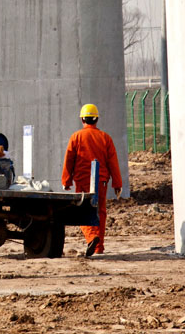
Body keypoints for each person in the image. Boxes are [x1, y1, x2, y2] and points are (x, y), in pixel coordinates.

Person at [61, 103, 122, 257]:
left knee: (82, 211)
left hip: (82, 181)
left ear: (82, 119)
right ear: (96, 119)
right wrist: (117, 183)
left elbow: (69, 159)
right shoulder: (105, 138)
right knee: (100, 212)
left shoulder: (76, 137)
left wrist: (66, 180)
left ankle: (92, 237)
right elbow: (112, 162)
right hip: (101, 181)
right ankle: (98, 247)